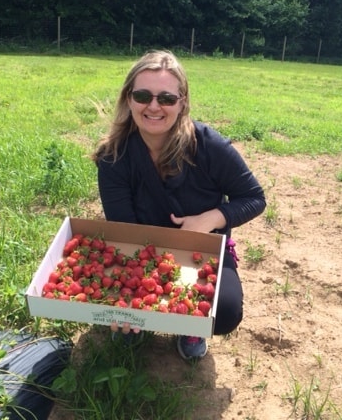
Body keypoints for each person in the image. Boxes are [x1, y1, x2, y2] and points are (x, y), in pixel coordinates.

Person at [92, 50, 266, 360]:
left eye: (166, 98)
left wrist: (210, 219)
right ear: (129, 99)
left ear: (182, 101)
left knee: (224, 311)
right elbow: (124, 229)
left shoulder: (209, 146)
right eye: (143, 95)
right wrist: (129, 292)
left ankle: (190, 326)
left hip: (201, 248)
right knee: (118, 306)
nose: (154, 106)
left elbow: (254, 198)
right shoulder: (114, 156)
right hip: (142, 250)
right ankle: (139, 322)